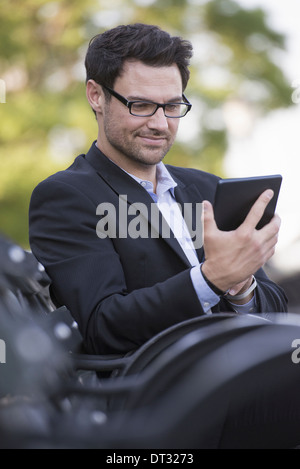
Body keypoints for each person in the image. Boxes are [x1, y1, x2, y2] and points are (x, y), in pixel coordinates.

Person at [29, 22, 300, 449]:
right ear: (96, 96)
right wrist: (210, 279)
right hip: (159, 399)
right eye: (140, 105)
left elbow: (273, 306)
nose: (160, 123)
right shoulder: (66, 196)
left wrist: (242, 282)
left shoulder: (209, 189)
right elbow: (103, 325)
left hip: (242, 381)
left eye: (173, 106)